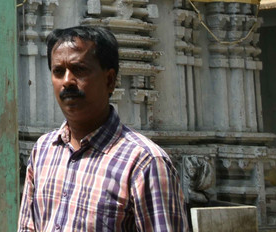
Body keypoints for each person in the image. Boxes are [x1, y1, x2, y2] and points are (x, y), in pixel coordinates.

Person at [17, 25, 190, 232]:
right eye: (58, 71)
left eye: (79, 69)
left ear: (109, 80)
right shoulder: (44, 151)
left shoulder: (144, 163)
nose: (67, 81)